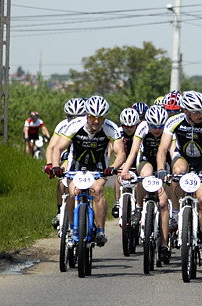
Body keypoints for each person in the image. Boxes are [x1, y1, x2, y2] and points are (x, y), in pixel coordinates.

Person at [155, 91, 202, 267]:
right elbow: (163, 149)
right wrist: (161, 170)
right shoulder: (174, 121)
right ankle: (177, 212)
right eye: (196, 112)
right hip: (183, 158)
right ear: (186, 111)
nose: (201, 115)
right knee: (177, 171)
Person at [47, 95, 126, 246]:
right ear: (86, 115)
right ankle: (71, 228)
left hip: (99, 168)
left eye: (100, 117)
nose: (96, 121)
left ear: (105, 117)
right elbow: (58, 148)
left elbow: (120, 153)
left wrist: (113, 168)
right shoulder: (75, 125)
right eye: (92, 117)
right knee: (72, 192)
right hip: (75, 166)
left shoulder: (111, 128)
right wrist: (56, 166)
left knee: (97, 191)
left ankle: (101, 230)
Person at [119, 105, 170, 261]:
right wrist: (125, 171)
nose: (157, 130)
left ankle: (164, 245)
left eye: (160, 126)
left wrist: (173, 173)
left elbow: (174, 152)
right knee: (145, 175)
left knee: (162, 204)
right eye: (153, 126)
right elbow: (133, 152)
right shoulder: (141, 128)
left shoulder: (168, 129)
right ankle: (139, 208)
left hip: (164, 165)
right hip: (146, 161)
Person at [45, 98, 86, 229]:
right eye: (70, 116)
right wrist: (50, 164)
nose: (74, 119)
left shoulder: (89, 126)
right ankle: (59, 210)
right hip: (68, 155)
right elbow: (52, 147)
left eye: (78, 116)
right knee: (62, 178)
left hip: (85, 156)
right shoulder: (62, 125)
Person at [111, 108, 141, 218]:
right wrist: (111, 166)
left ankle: (138, 205)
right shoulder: (117, 132)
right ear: (122, 125)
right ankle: (117, 203)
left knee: (139, 180)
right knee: (119, 176)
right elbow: (111, 148)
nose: (129, 129)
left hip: (137, 160)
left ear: (136, 125)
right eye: (126, 126)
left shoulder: (140, 133)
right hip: (123, 161)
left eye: (132, 126)